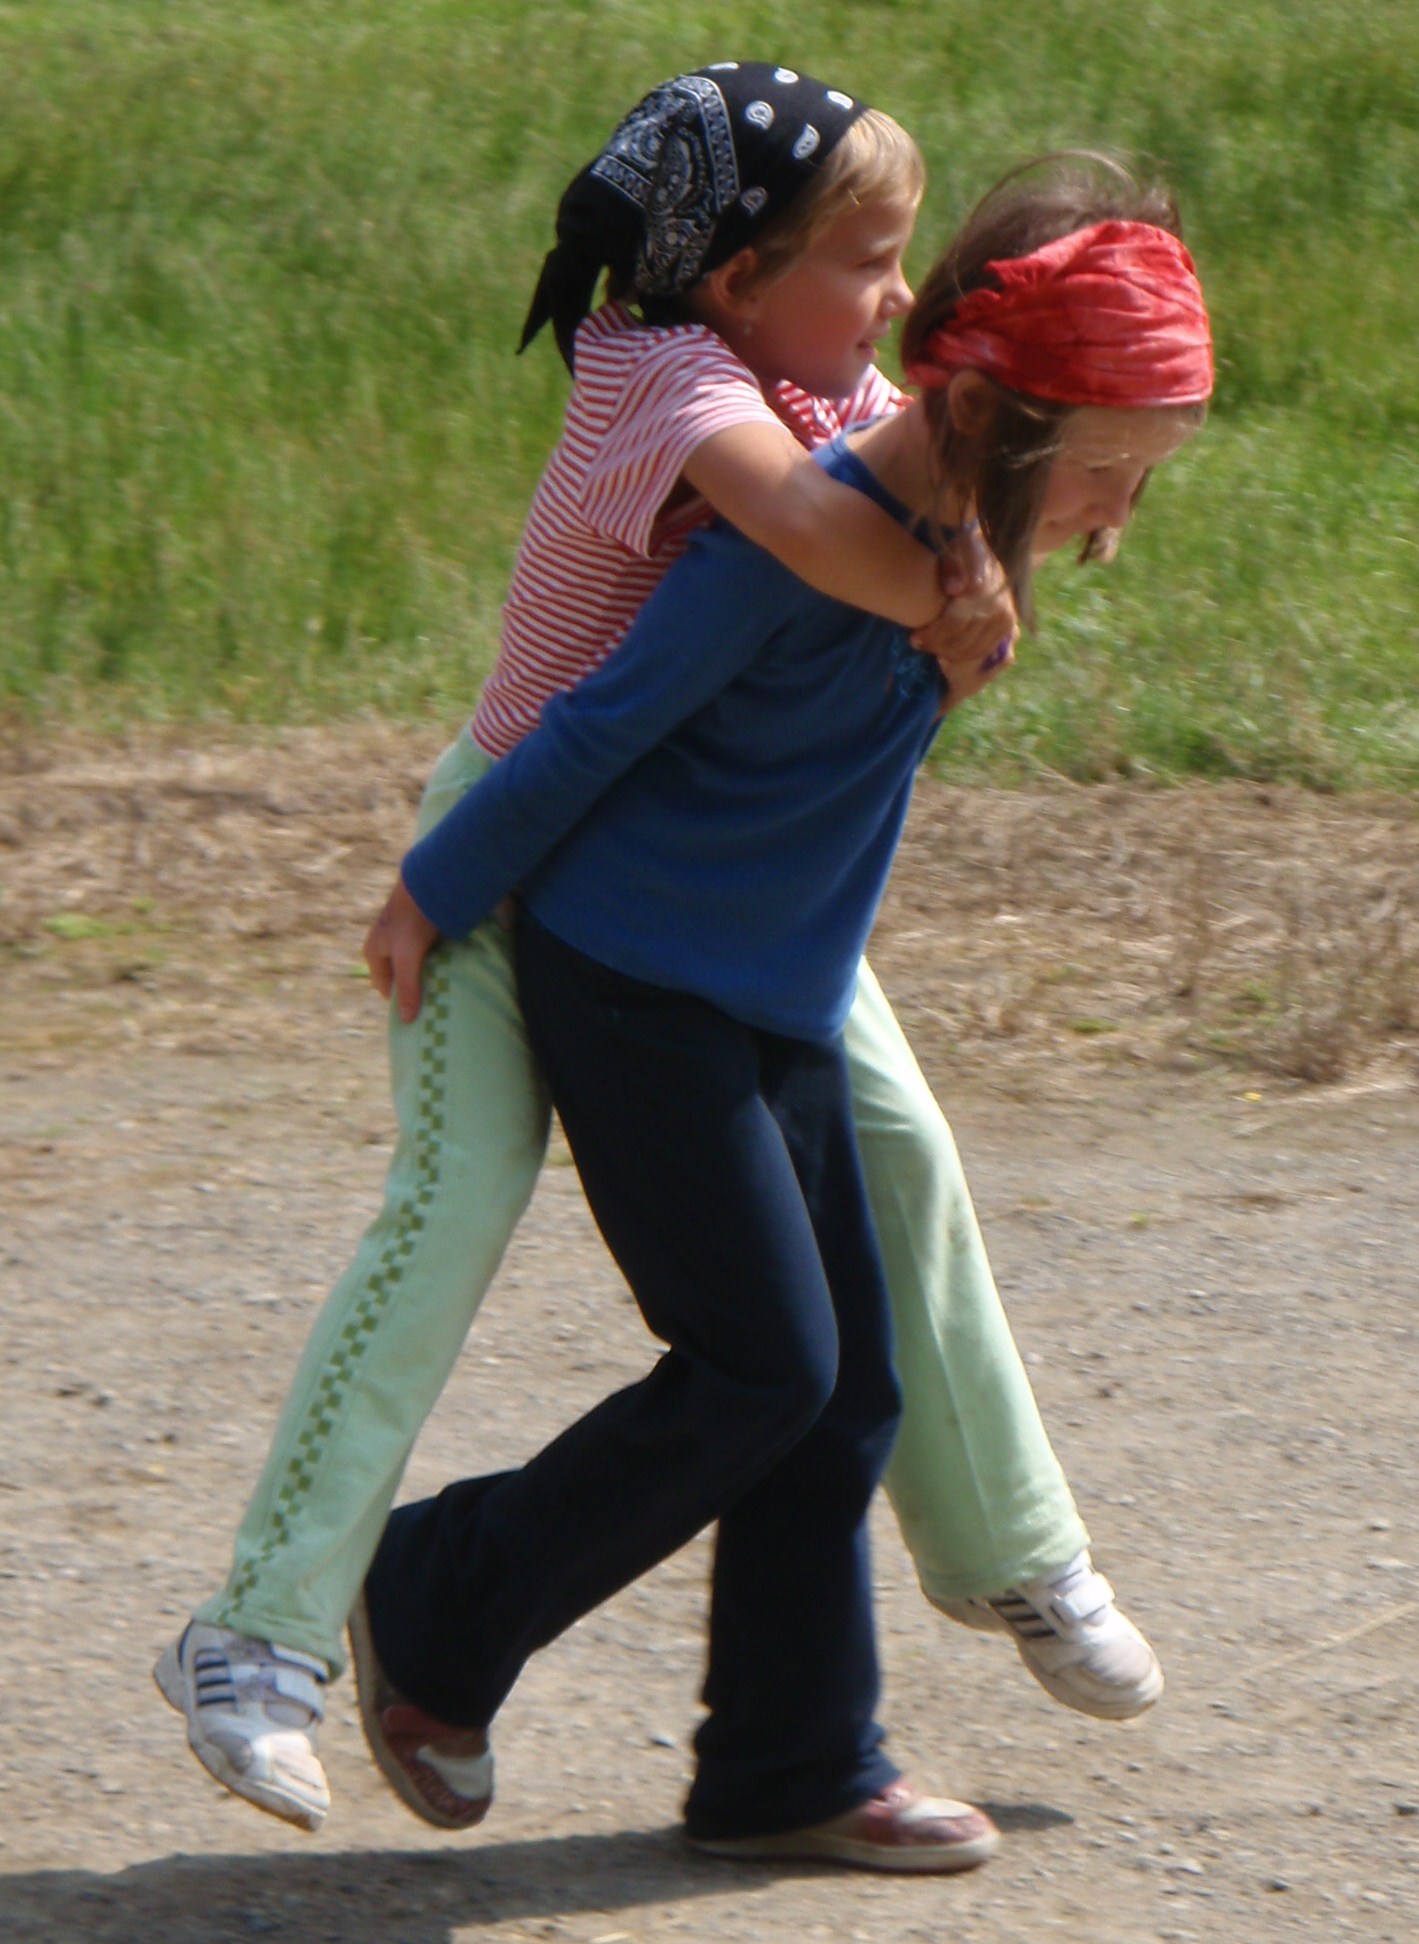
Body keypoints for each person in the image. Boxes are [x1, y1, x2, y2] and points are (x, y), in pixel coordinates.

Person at [154, 65, 1154, 1838]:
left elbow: (916, 462)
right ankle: (264, 1630)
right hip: (518, 841)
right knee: (458, 1207)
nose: (897, 297)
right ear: (733, 272)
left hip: (707, 872)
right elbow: (808, 535)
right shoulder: (666, 379)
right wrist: (962, 573)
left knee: (899, 1189)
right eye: (868, 260)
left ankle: (972, 1592)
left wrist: (993, 520)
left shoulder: (827, 380)